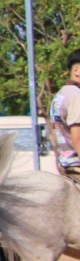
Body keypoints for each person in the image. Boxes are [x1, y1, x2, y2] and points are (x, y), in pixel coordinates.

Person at [49, 49, 80, 182]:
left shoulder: (60, 95)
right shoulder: (77, 96)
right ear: (76, 70)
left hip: (65, 164)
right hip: (76, 164)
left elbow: (54, 134)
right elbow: (78, 138)